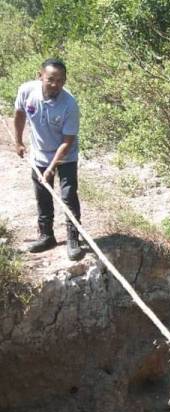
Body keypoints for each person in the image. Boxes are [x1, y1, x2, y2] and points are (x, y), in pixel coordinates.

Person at [14, 58, 83, 260]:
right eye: (51, 79)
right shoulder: (27, 91)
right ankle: (46, 235)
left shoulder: (69, 104)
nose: (55, 84)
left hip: (65, 155)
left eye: (60, 80)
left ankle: (73, 237)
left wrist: (52, 167)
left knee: (68, 195)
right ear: (40, 76)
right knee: (42, 195)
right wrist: (18, 141)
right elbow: (19, 114)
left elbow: (68, 140)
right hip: (39, 154)